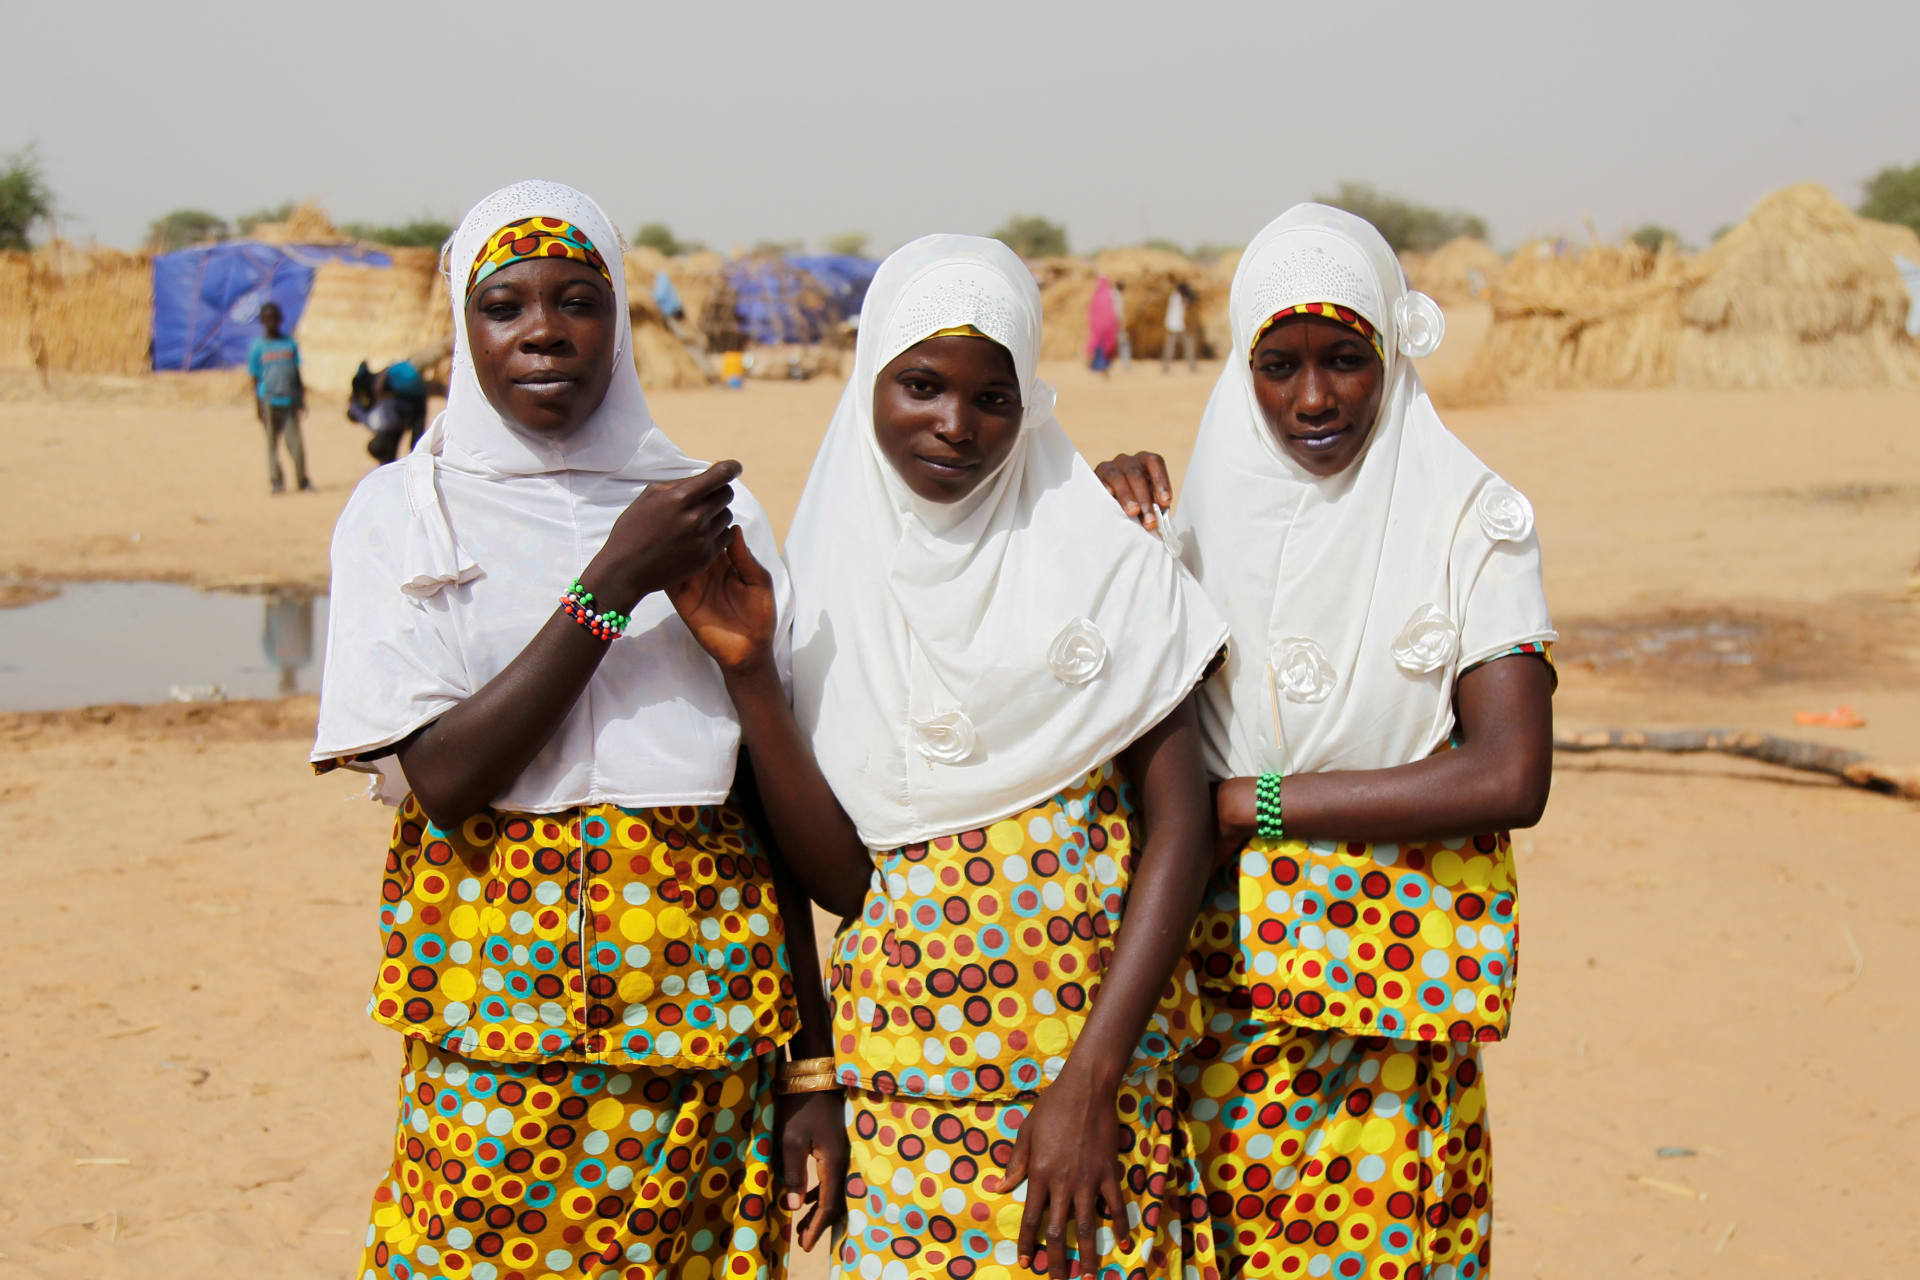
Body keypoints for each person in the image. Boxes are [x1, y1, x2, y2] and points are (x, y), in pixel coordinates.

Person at [666, 234, 1231, 1280]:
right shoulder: (822, 598)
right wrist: (751, 677)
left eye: (994, 398)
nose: (955, 426)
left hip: (1093, 1081)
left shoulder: (1110, 559)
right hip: (909, 1087)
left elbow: (1182, 825)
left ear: (1031, 405)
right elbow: (845, 880)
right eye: (920, 385)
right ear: (868, 376)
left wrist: (1090, 1080)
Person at [310, 180, 846, 1280]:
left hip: (708, 1025)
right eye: (505, 305)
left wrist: (811, 1065)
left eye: (577, 300)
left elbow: (758, 810)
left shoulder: (712, 511)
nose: (543, 329)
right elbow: (446, 778)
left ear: (620, 326)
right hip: (498, 1035)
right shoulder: (408, 512)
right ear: (464, 326)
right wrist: (611, 583)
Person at [1096, 204, 1555, 1279]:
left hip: (1387, 1008)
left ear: (1391, 354)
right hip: (1211, 985)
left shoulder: (1472, 517)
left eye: (1347, 359)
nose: (1313, 397)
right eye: (1280, 363)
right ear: (1241, 366)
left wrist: (1242, 805)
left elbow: (1508, 771)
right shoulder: (1180, 523)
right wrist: (1096, 520)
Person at [247, 301, 312, 493]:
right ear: (262, 322)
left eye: (274, 318)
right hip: (269, 401)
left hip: (290, 401)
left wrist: (301, 398)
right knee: (271, 446)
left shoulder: (290, 343)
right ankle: (277, 482)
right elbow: (254, 377)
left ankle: (302, 480)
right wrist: (258, 405)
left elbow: (297, 372)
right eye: (267, 319)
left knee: (296, 445)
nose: (271, 323)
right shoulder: (258, 347)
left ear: (280, 320)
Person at [347, 357, 434, 465]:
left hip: (400, 412)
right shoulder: (372, 415)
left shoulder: (373, 419)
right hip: (414, 403)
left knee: (408, 443)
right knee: (416, 444)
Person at [1087, 273, 1119, 375]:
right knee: (1107, 345)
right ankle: (1104, 365)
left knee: (1099, 344)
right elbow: (1116, 311)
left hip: (1098, 326)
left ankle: (1099, 365)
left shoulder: (1096, 296)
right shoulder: (1112, 294)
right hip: (1110, 326)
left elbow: (1091, 312)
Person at [1161, 282, 1196, 373]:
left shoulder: (1175, 296)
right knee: (1187, 344)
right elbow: (1185, 301)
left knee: (1170, 346)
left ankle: (1165, 366)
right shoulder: (1177, 297)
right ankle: (1191, 365)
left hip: (1174, 325)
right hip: (1177, 325)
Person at [1113, 279, 1132, 370]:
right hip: (1116, 324)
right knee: (1124, 343)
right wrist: (1120, 325)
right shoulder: (1117, 297)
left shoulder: (1112, 295)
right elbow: (1118, 313)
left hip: (1111, 324)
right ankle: (1126, 363)